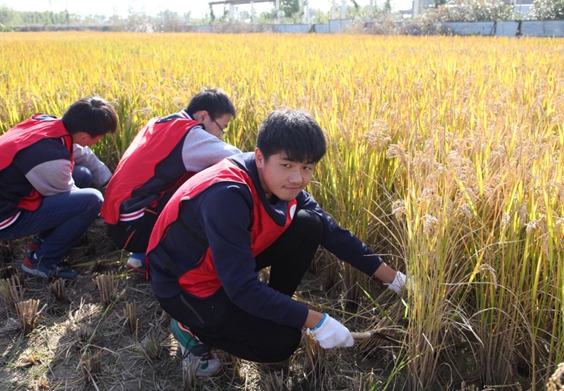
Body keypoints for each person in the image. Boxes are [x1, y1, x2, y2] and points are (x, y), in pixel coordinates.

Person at [146, 109, 408, 377]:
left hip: (221, 266)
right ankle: (192, 330)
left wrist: (397, 281)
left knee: (310, 224)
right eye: (287, 165)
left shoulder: (279, 185)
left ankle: (270, 307)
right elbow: (241, 288)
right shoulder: (227, 195)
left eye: (307, 167)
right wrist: (317, 321)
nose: (298, 178)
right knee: (281, 342)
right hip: (185, 286)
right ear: (260, 157)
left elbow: (333, 233)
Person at [100, 88, 240, 273]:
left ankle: (141, 257)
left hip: (119, 222)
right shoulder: (188, 134)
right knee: (209, 187)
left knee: (193, 175)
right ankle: (167, 261)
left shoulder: (159, 123)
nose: (221, 135)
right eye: (223, 127)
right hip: (135, 229)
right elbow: (239, 159)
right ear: (203, 116)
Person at [0, 96, 118, 279]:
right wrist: (111, 214)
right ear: (85, 136)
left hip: (12, 191)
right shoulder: (51, 157)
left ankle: (42, 240)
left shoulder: (49, 123)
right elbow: (72, 198)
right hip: (5, 216)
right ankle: (42, 261)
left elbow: (85, 156)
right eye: (100, 138)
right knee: (92, 201)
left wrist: (110, 185)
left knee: (83, 174)